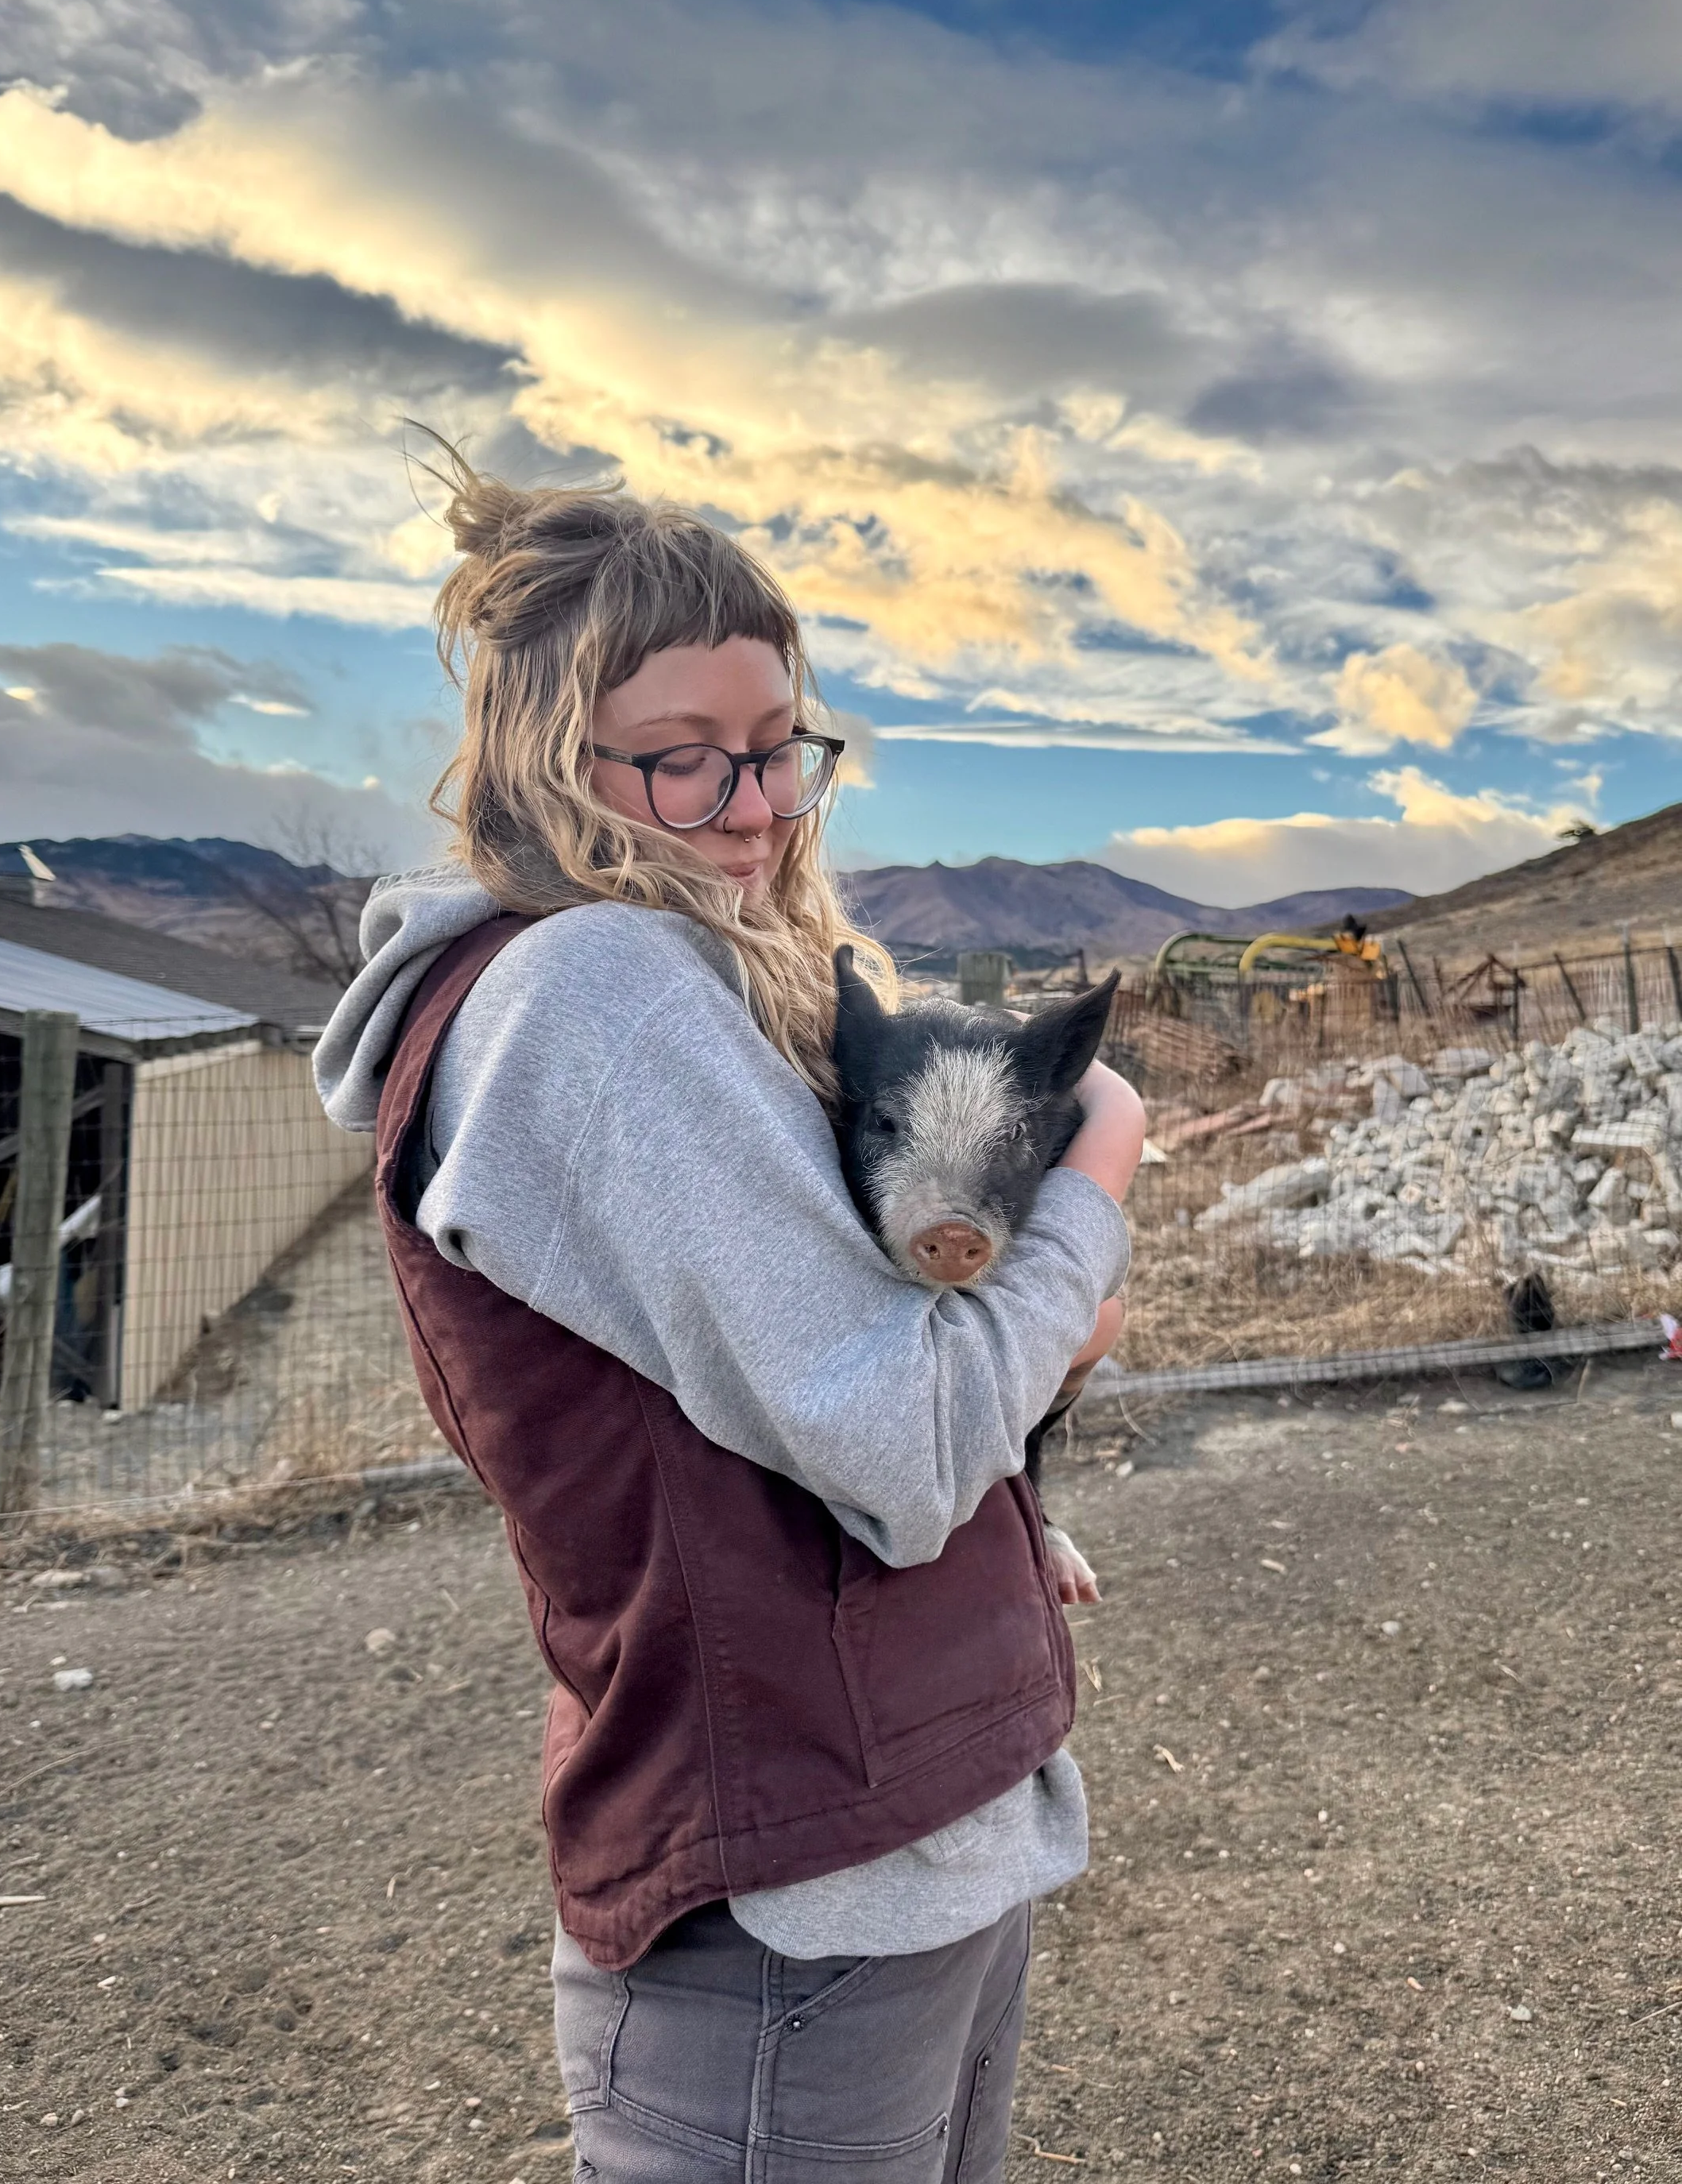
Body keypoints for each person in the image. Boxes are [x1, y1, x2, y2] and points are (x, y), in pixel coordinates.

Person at [316, 448, 1145, 2183]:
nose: (759, 806)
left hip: (912, 1829)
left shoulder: (707, 976)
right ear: (551, 761)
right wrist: (1089, 1195)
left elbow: (847, 1393)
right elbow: (907, 1438)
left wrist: (1021, 1443)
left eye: (777, 749)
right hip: (797, 1894)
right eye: (684, 762)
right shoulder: (597, 995)